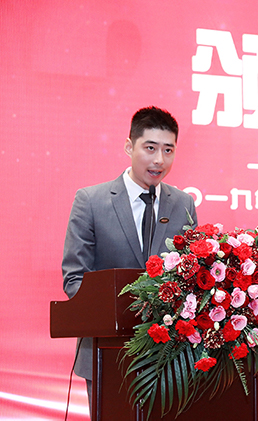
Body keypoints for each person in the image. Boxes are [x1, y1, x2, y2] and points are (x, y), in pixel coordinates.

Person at [61, 106, 198, 416]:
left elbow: (190, 275)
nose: (159, 160)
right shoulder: (91, 201)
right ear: (129, 146)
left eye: (168, 150)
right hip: (107, 352)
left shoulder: (183, 204)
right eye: (150, 148)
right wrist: (124, 312)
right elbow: (74, 279)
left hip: (169, 358)